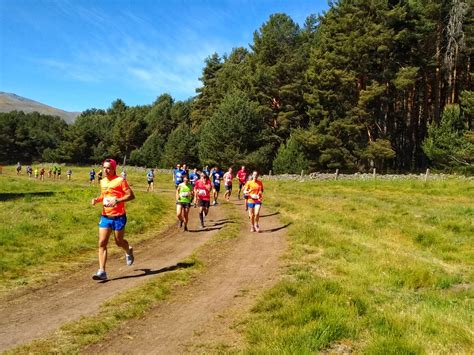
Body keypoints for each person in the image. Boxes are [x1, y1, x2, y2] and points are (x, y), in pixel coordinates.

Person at [91, 158, 135, 281]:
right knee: (102, 243)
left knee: (119, 242)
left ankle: (128, 250)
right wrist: (97, 200)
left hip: (119, 216)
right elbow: (103, 196)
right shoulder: (103, 181)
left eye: (108, 168)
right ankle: (102, 271)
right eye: (104, 167)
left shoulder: (120, 180)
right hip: (105, 216)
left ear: (114, 168)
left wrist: (118, 200)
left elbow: (131, 195)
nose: (106, 170)